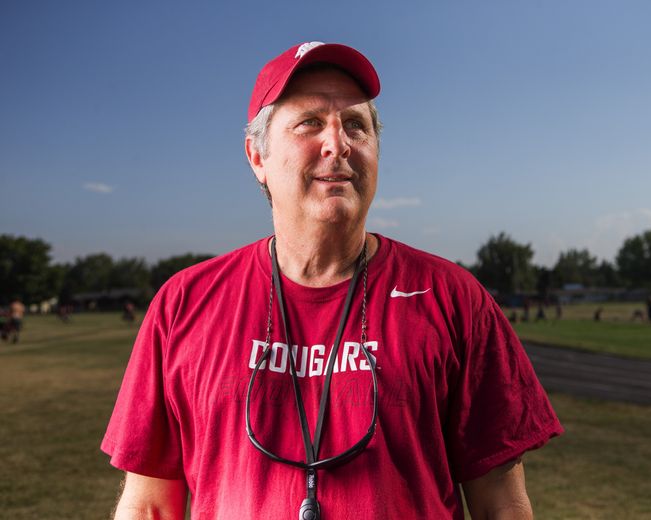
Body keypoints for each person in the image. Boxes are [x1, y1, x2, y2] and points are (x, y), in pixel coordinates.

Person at [102, 41, 562, 520]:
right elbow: (150, 506)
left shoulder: (454, 299)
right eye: (310, 122)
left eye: (356, 126)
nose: (338, 144)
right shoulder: (184, 304)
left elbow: (501, 505)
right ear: (257, 157)